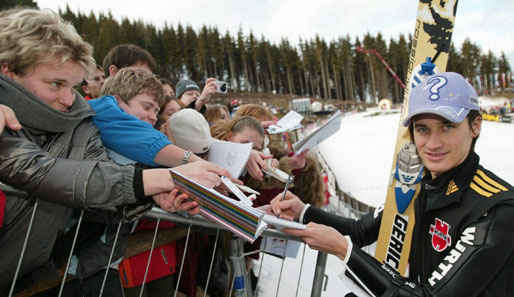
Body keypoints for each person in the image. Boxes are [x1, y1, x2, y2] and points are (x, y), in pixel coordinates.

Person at [0, 8, 226, 294]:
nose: (69, 98)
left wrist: (152, 197)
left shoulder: (79, 121)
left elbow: (98, 179)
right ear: (8, 71)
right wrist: (167, 177)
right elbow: (40, 171)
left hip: (30, 274)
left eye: (73, 86)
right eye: (56, 84)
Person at [271, 72, 514, 297]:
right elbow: (360, 231)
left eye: (447, 127)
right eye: (422, 129)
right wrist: (303, 211)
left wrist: (345, 251)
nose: (432, 143)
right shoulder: (421, 186)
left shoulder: (496, 208)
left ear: (475, 126)